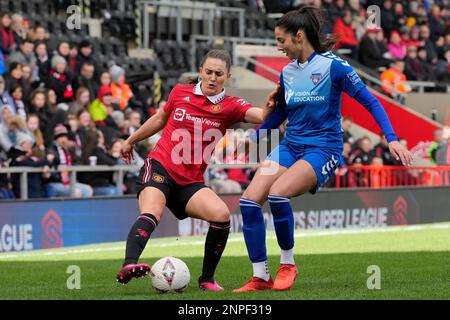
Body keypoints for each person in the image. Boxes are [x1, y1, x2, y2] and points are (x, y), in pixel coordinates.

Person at [233, 6, 413, 293]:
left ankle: (288, 264)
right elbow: (280, 114)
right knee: (249, 201)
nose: (279, 47)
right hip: (291, 145)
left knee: (278, 194)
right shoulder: (287, 72)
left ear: (299, 36)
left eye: (281, 40)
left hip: (323, 148)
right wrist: (253, 138)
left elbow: (371, 101)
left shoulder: (335, 67)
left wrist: (391, 138)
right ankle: (260, 276)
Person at [116, 49, 279, 291]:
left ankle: (207, 279)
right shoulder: (180, 92)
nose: (213, 78)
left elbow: (262, 115)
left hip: (190, 182)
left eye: (219, 74)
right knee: (152, 211)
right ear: (200, 71)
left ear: (228, 77)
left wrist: (274, 102)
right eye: (209, 72)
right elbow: (160, 118)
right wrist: (130, 140)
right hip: (160, 166)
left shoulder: (230, 106)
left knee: (221, 215)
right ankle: (129, 265)